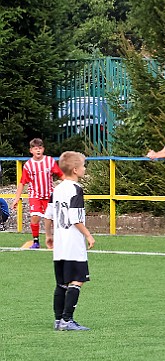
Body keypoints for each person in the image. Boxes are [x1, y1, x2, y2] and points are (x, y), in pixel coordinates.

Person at [44, 151, 94, 331]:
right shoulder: (76, 189)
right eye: (83, 166)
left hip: (60, 245)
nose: (84, 169)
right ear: (75, 170)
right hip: (73, 244)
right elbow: (75, 218)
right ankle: (67, 320)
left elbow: (48, 215)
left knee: (61, 283)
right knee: (77, 280)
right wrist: (88, 234)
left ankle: (58, 320)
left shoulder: (56, 189)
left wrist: (48, 236)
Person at [11, 138, 64, 248]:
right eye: (36, 149)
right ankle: (36, 241)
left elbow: (60, 174)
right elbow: (22, 182)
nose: (38, 150)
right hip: (35, 194)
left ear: (43, 149)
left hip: (49, 194)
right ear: (31, 150)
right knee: (35, 216)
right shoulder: (28, 165)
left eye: (40, 148)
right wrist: (17, 198)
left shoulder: (49, 161)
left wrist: (70, 184)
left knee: (53, 218)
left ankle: (57, 240)